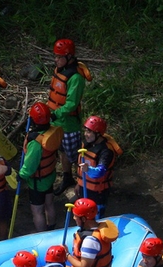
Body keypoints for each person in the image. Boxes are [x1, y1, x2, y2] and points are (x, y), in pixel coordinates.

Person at [48, 39, 92, 195]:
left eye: (59, 57)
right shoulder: (59, 71)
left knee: (75, 156)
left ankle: (81, 184)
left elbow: (71, 104)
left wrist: (55, 113)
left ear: (69, 57)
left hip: (69, 124)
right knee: (62, 152)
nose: (56, 60)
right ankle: (67, 178)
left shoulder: (76, 78)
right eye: (56, 56)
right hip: (57, 122)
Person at [19, 102, 63, 232]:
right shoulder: (52, 132)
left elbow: (30, 166)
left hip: (37, 182)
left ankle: (42, 234)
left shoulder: (36, 144)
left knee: (37, 211)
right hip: (49, 176)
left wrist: (21, 175)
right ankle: (52, 225)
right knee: (49, 203)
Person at [75, 115, 123, 218]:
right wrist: (79, 183)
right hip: (84, 188)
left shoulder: (106, 151)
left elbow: (101, 171)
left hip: (98, 193)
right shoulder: (88, 144)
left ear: (98, 134)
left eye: (89, 132)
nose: (86, 134)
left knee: (96, 219)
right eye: (86, 131)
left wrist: (88, 169)